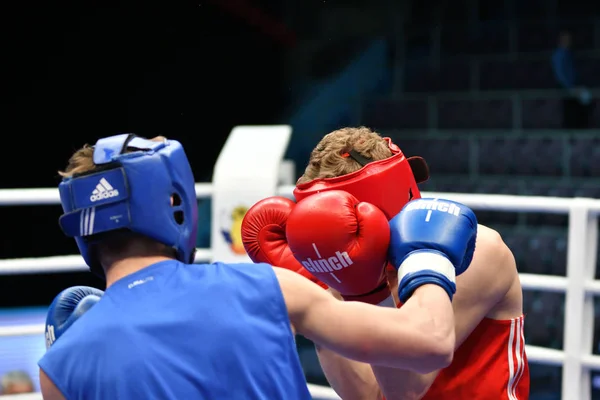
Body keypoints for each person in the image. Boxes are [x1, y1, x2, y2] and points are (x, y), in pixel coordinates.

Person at [38, 133, 477, 400]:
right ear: (175, 201)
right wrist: (426, 254)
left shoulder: (60, 364)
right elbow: (432, 342)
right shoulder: (267, 288)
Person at [242, 126, 529, 400]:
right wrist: (322, 286)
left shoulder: (473, 252)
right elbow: (366, 394)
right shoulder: (350, 268)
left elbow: (406, 391)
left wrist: (354, 295)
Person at [551, 30, 592, 129]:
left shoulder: (569, 53)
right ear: (561, 40)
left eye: (569, 39)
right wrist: (570, 88)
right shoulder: (558, 55)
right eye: (566, 39)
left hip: (574, 86)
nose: (569, 41)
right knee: (570, 111)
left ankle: (582, 127)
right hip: (566, 88)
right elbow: (560, 74)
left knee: (583, 102)